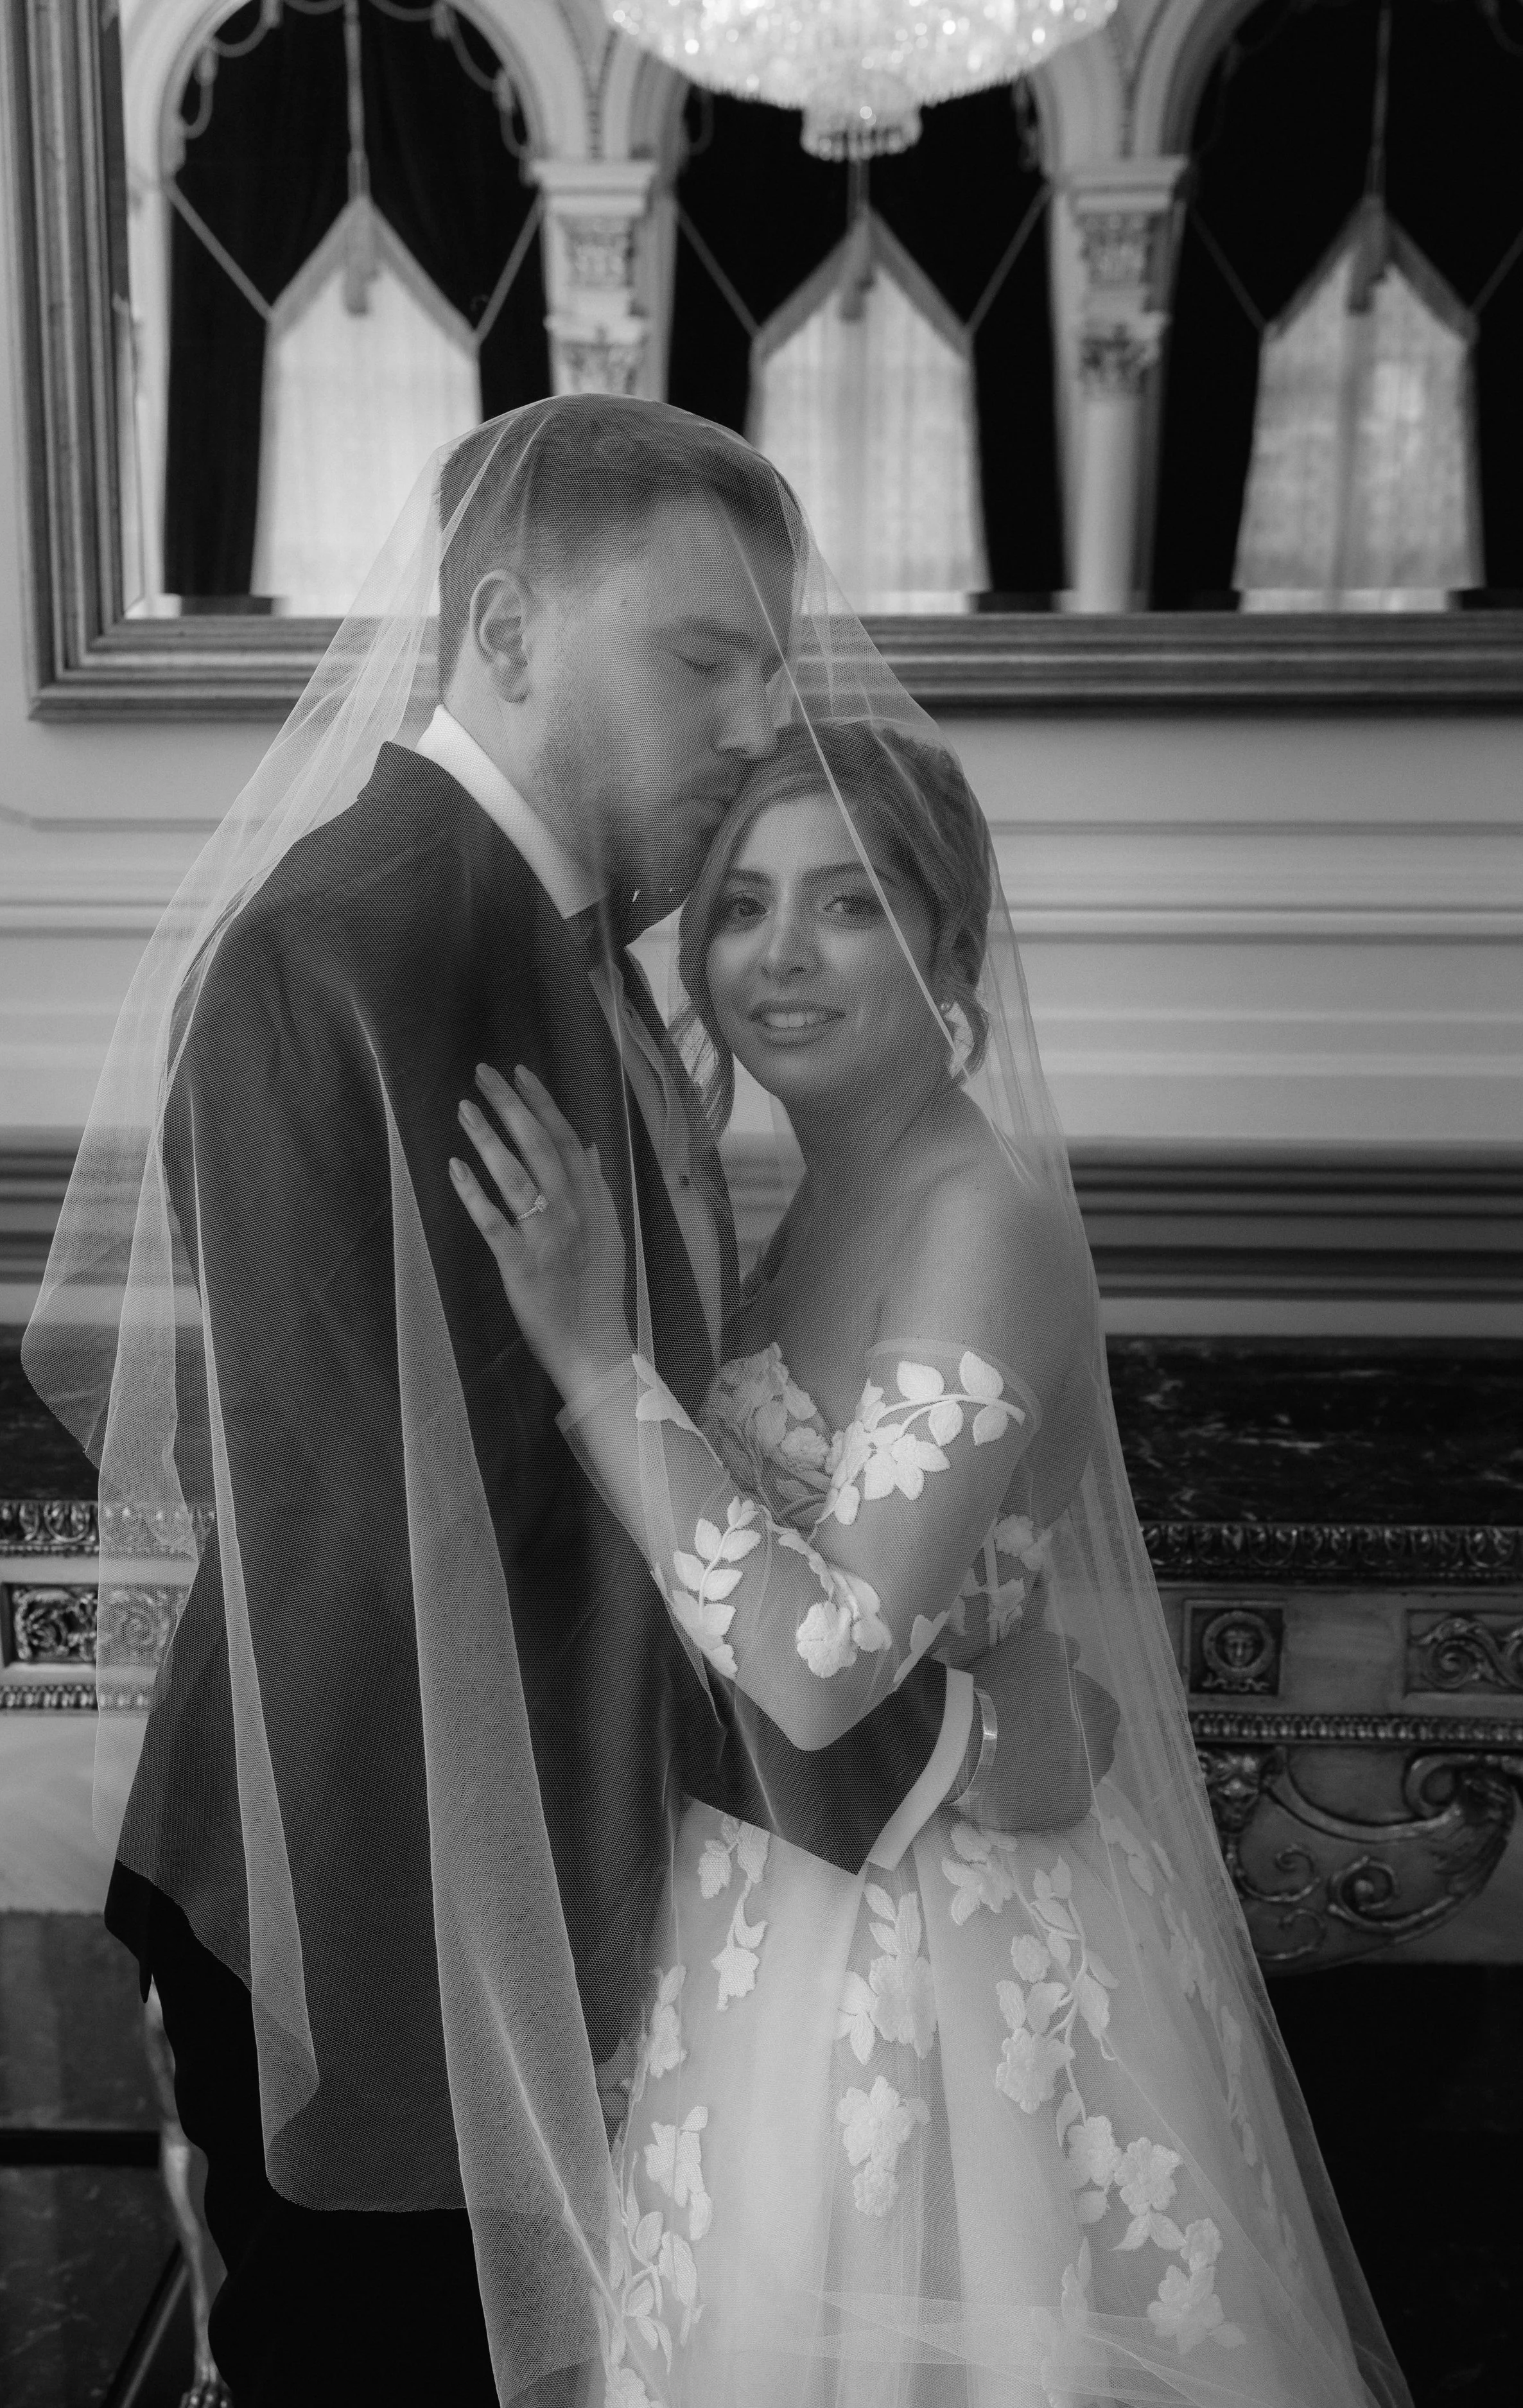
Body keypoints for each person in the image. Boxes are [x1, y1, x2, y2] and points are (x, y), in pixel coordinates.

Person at [22, 399, 1114, 2408]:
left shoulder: (573, 935)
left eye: (756, 666)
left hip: (549, 1901)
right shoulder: (352, 946)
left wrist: (945, 1620)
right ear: (513, 627)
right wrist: (911, 1733)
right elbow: (388, 1563)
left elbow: (636, 1431)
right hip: (371, 1922)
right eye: (691, 661)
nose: (744, 724)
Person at [452, 718, 1413, 2407]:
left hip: (951, 1958)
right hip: (781, 1901)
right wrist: (981, 1669)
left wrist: (594, 1359)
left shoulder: (985, 1223)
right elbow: (792, 1572)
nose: (784, 954)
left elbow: (818, 1662)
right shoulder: (805, 1205)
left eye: (848, 904)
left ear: (950, 951)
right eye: (742, 907)